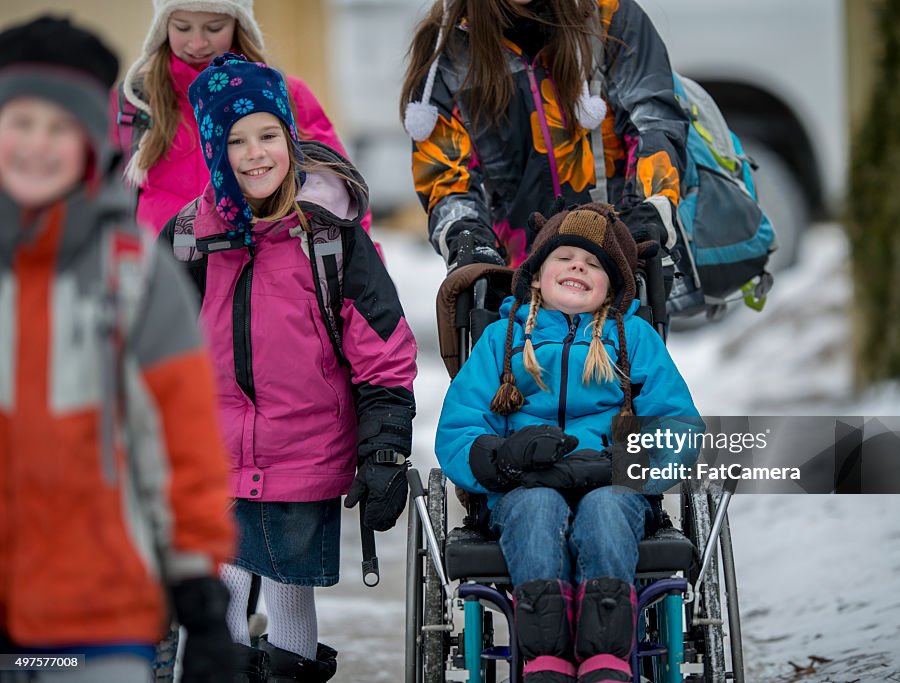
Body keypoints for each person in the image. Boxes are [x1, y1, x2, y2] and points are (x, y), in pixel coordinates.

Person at [161, 53, 417, 681]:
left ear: (290, 138)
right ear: (213, 149)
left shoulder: (330, 239)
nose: (255, 154)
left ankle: (291, 669)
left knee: (286, 584)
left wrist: (383, 452)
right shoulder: (188, 238)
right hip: (212, 449)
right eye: (234, 140)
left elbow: (383, 352)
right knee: (221, 577)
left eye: (268, 135)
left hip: (304, 447)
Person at [0, 16, 236, 683]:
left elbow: (182, 440)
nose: (37, 146)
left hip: (97, 617)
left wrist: (197, 586)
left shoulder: (135, 274)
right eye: (21, 122)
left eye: (60, 128)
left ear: (90, 144)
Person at [435, 202, 704, 682]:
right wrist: (503, 457)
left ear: (611, 289)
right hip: (524, 486)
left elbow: (679, 426)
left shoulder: (634, 338)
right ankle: (546, 657)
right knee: (538, 508)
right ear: (536, 275)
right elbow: (460, 427)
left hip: (613, 485)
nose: (579, 265)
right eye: (565, 257)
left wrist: (624, 462)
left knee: (604, 509)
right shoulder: (502, 339)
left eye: (595, 263)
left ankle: (605, 656)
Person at [401, 0, 687, 272]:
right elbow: (445, 176)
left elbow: (653, 121)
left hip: (617, 258)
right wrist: (468, 240)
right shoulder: (447, 51)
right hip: (519, 278)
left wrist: (646, 214)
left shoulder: (607, 15)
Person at [114, 0, 374, 239]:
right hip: (160, 272)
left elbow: (341, 194)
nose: (197, 42)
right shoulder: (136, 102)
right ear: (162, 27)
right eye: (182, 27)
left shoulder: (284, 95)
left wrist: (362, 273)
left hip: (256, 278)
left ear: (239, 24)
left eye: (214, 27)